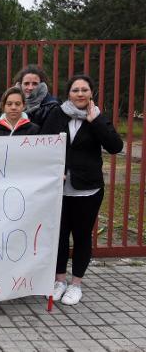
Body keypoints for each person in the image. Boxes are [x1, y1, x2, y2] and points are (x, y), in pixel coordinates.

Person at [41, 74, 123, 305]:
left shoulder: (97, 117)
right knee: (58, 237)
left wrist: (95, 121)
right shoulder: (57, 114)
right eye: (75, 90)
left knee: (82, 236)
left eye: (84, 90)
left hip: (87, 189)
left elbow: (115, 146)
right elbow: (43, 143)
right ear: (69, 93)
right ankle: (59, 280)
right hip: (58, 189)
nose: (79, 94)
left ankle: (76, 284)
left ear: (91, 93)